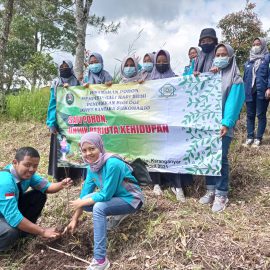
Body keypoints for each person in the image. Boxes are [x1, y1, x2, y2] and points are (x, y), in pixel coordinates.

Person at [64, 132, 144, 270]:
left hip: (131, 199)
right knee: (87, 202)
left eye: (92, 148)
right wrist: (74, 219)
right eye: (84, 150)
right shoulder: (91, 167)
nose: (88, 153)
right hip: (116, 198)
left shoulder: (113, 163)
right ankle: (118, 213)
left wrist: (83, 202)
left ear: (100, 147)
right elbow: (84, 195)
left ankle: (101, 260)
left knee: (99, 207)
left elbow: (106, 195)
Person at [199, 43, 245, 212]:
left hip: (223, 126)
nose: (220, 58)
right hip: (208, 125)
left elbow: (234, 102)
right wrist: (198, 76)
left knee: (220, 159)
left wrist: (226, 123)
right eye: (217, 55)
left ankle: (221, 193)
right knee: (208, 158)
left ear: (231, 56)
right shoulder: (212, 75)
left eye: (223, 54)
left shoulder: (235, 78)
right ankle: (210, 190)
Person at [0, 147, 73, 251]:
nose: (31, 169)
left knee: (39, 195)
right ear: (15, 162)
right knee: (10, 231)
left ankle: (25, 232)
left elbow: (46, 187)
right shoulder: (5, 182)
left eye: (35, 166)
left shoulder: (27, 175)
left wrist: (61, 185)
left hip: (7, 211)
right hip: (3, 215)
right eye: (27, 165)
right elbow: (13, 217)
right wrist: (42, 231)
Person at [147, 49, 192, 202]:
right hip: (153, 124)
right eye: (158, 62)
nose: (161, 64)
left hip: (171, 125)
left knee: (173, 153)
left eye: (164, 61)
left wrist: (196, 79)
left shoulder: (175, 79)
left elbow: (186, 92)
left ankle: (177, 185)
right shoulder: (147, 81)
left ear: (169, 61)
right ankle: (156, 183)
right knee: (154, 154)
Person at [46, 60, 85, 181]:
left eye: (66, 66)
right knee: (61, 147)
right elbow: (52, 104)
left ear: (71, 68)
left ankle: (75, 175)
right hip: (60, 122)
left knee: (75, 148)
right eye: (61, 67)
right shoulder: (56, 83)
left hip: (75, 122)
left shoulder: (77, 82)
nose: (64, 68)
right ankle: (60, 175)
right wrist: (51, 122)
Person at [243, 37, 270, 147]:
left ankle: (258, 138)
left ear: (263, 45)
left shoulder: (268, 58)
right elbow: (245, 78)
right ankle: (250, 137)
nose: (255, 46)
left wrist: (269, 87)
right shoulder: (248, 61)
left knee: (260, 115)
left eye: (258, 44)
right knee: (250, 115)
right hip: (249, 91)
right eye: (254, 44)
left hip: (262, 91)